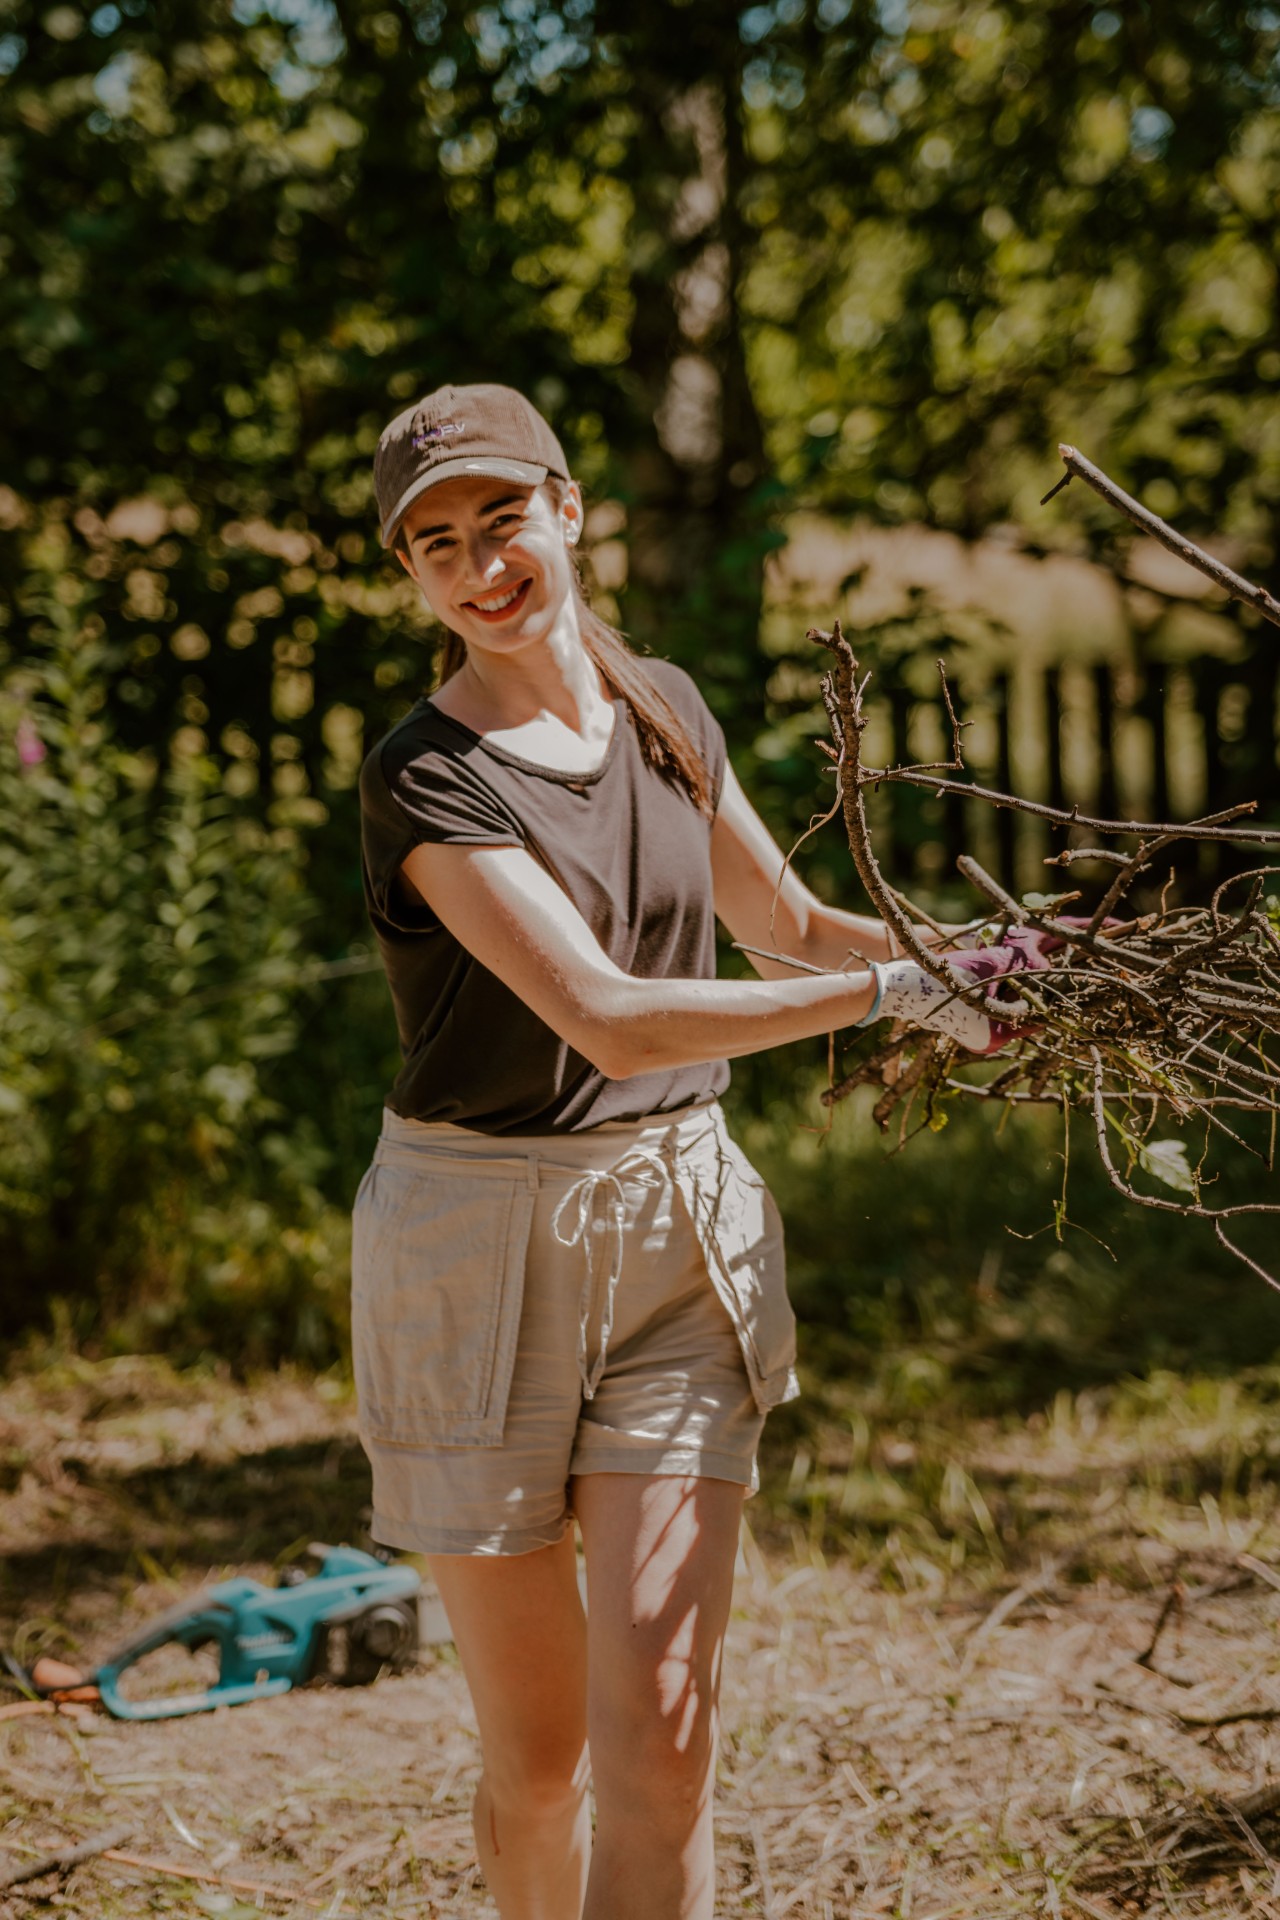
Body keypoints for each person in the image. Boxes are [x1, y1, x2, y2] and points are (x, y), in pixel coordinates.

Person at [352, 382, 1037, 1920]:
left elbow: (782, 924)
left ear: (569, 509)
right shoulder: (426, 771)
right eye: (437, 544)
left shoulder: (661, 704)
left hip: (678, 1231)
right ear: (410, 573)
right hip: (476, 1253)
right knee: (543, 1765)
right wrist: (892, 996)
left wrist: (985, 965)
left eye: (502, 520)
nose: (481, 566)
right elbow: (608, 1017)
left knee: (662, 1747)